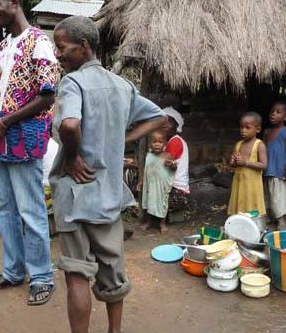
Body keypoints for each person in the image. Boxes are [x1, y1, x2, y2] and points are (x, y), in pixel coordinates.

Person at [50, 16, 164, 333]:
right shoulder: (122, 85)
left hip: (75, 195)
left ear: (83, 46)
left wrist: (71, 157)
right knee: (113, 272)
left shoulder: (72, 83)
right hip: (109, 196)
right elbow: (157, 117)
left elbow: (69, 125)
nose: (58, 54)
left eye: (61, 47)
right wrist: (121, 139)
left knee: (76, 274)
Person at [0, 0, 58, 306]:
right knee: (3, 208)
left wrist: (5, 123)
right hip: (0, 141)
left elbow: (47, 94)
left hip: (24, 138)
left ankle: (42, 276)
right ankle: (13, 271)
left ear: (14, 2)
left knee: (31, 210)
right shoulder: (3, 46)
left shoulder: (39, 41)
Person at [262, 101, 286, 229]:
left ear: (285, 117)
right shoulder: (267, 132)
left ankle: (281, 219)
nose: (273, 114)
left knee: (278, 195)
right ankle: (271, 216)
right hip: (267, 168)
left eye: (278, 112)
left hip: (279, 168)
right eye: (272, 111)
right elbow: (263, 149)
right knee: (268, 193)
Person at [228, 112, 267, 215]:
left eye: (247, 127)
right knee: (239, 203)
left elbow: (263, 165)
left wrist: (245, 163)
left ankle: (253, 225)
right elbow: (233, 164)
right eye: (241, 127)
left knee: (251, 204)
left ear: (258, 129)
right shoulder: (238, 144)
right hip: (239, 181)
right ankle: (239, 223)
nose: (243, 130)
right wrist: (233, 162)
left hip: (252, 183)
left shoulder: (259, 145)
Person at [138, 129, 176, 233]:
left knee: (162, 204)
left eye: (160, 142)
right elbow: (145, 169)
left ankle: (162, 223)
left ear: (165, 143)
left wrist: (172, 165)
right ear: (150, 144)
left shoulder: (168, 156)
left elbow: (174, 169)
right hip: (150, 185)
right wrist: (141, 181)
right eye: (154, 142)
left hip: (161, 187)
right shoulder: (148, 156)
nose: (157, 145)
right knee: (149, 202)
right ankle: (148, 222)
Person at [162, 107, 190, 221]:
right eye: (162, 121)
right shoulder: (172, 140)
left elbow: (162, 165)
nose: (164, 125)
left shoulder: (174, 141)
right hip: (178, 190)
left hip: (177, 192)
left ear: (175, 125)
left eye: (168, 122)